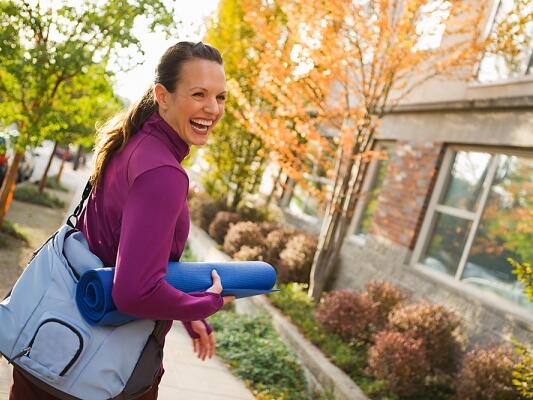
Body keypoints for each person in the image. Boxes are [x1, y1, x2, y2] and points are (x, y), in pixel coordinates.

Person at [9, 41, 234, 400]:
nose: (213, 108)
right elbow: (134, 291)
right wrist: (205, 302)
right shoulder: (164, 171)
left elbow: (110, 247)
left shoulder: (130, 143)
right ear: (163, 95)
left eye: (221, 97)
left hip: (48, 352)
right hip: (94, 373)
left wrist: (184, 310)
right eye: (199, 94)